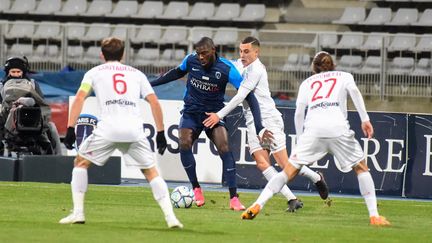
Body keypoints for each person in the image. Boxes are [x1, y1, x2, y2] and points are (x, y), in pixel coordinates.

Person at [240, 51, 391, 226]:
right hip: (337, 128)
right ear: (333, 64)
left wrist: (300, 138)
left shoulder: (307, 83)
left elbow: (298, 113)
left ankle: (257, 204)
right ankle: (374, 216)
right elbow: (355, 92)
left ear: (313, 68)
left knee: (286, 172)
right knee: (361, 167)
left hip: (313, 130)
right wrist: (365, 119)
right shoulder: (344, 76)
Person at [59, 37, 183, 228]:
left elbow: (80, 98)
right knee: (151, 172)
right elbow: (154, 102)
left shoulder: (94, 73)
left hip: (108, 129)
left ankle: (78, 213)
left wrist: (70, 127)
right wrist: (160, 132)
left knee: (80, 163)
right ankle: (171, 218)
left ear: (102, 54)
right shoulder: (137, 74)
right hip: (134, 130)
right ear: (123, 54)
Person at [203, 36, 328, 213]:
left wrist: (219, 115)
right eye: (240, 51)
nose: (242, 55)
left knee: (286, 165)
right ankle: (292, 199)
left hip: (268, 120)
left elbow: (240, 97)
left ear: (256, 52)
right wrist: (204, 54)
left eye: (246, 51)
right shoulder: (241, 65)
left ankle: (316, 177)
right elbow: (225, 63)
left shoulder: (256, 70)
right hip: (252, 122)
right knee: (262, 163)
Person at [151, 37, 266, 211]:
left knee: (224, 147)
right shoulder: (191, 60)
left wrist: (259, 126)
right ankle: (196, 188)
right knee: (184, 142)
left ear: (213, 50)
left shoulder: (228, 69)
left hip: (213, 114)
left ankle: (234, 198)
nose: (201, 57)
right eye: (198, 54)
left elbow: (249, 96)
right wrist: (149, 84)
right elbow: (176, 73)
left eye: (204, 53)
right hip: (191, 112)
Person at [0, 56, 60, 155]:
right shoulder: (1, 86)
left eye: (18, 72)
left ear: (23, 72)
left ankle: (56, 158)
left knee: (52, 128)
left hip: (32, 119)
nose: (16, 74)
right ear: (8, 72)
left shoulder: (32, 84)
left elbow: (41, 102)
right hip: (6, 118)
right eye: (13, 72)